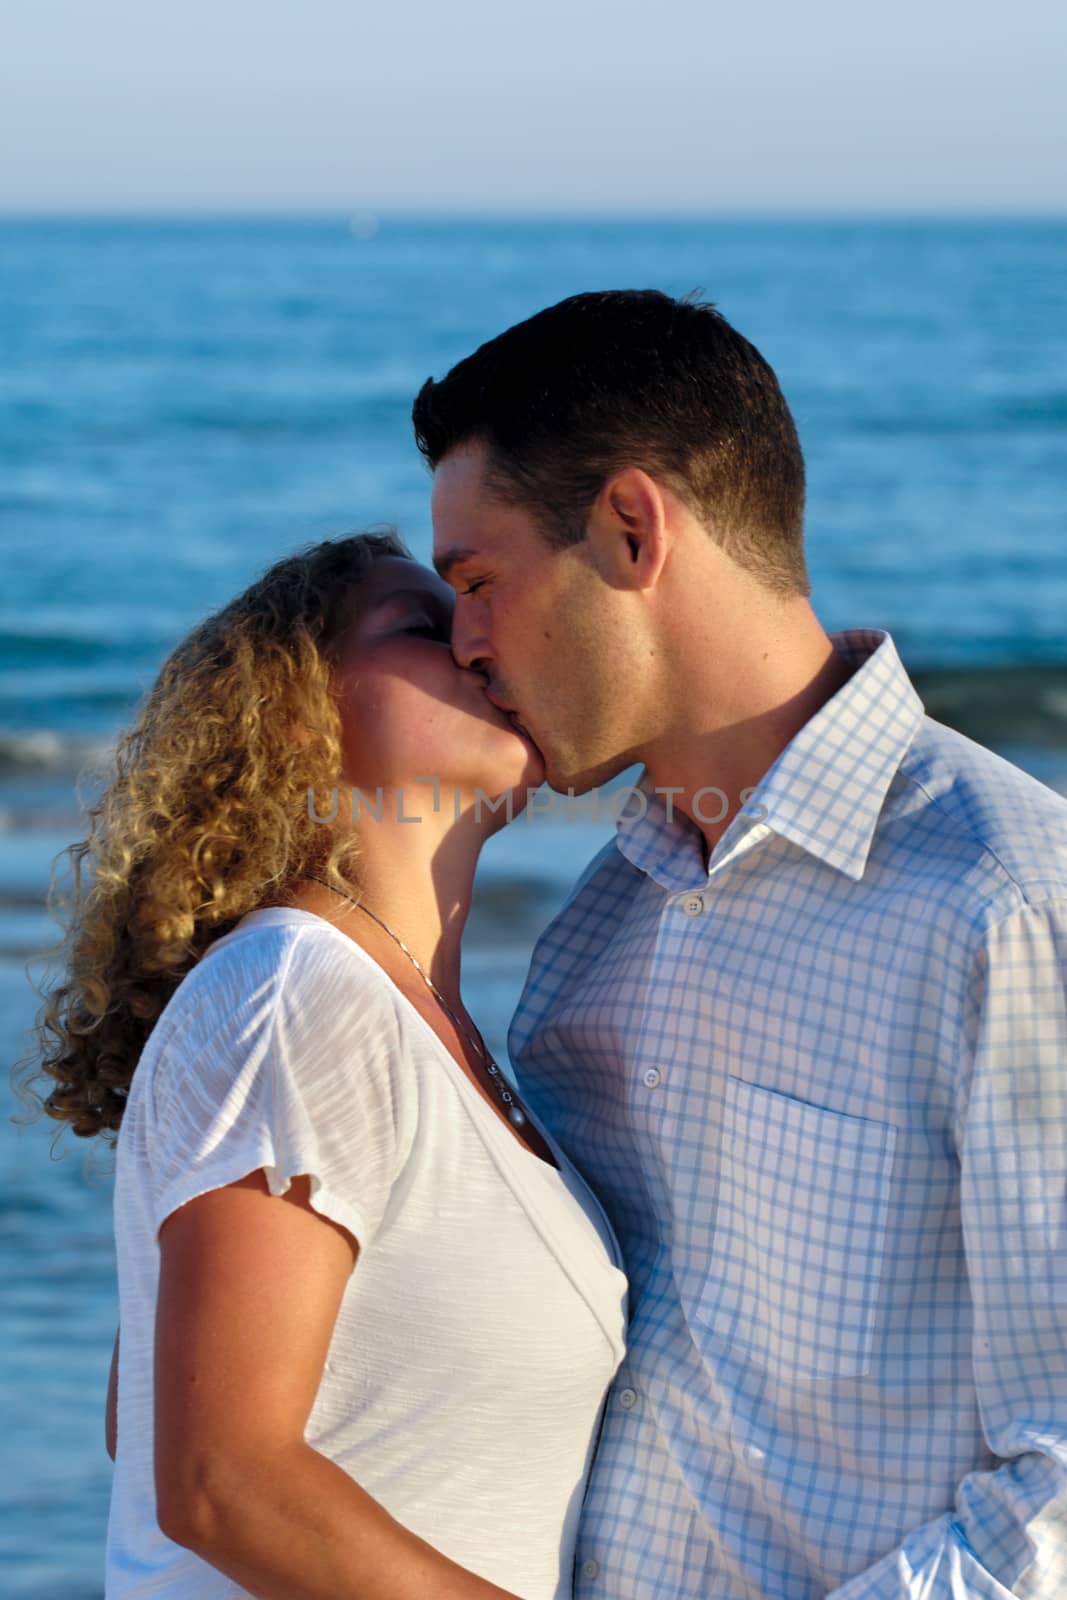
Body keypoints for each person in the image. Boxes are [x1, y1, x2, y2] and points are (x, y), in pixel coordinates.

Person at [412, 288, 1067, 1599]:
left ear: (630, 527)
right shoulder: (593, 934)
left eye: (477, 584)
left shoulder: (999, 903)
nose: (462, 647)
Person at [29, 530, 628, 1599]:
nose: (481, 643)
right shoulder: (294, 995)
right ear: (297, 714)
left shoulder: (405, 1024)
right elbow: (218, 1482)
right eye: (423, 625)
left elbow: (145, 1415)